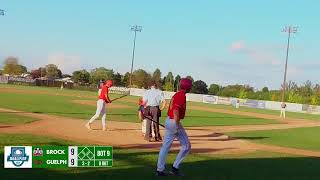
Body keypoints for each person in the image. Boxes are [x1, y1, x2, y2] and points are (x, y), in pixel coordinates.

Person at [155, 78, 192, 177]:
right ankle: (175, 168)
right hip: (173, 122)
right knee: (186, 146)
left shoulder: (178, 94)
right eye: (190, 86)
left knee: (165, 147)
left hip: (169, 121)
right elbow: (175, 110)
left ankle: (160, 170)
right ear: (188, 87)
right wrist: (176, 125)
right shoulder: (181, 95)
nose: (191, 87)